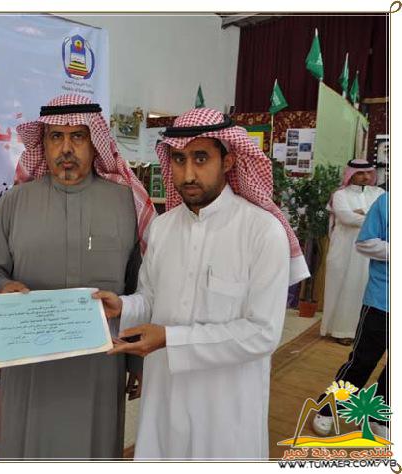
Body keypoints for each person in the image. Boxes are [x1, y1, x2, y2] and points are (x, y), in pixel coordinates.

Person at [94, 108, 310, 459]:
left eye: (200, 158)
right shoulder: (162, 228)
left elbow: (262, 333)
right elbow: (151, 299)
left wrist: (171, 338)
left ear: (228, 161)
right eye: (178, 160)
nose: (188, 173)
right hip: (165, 394)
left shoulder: (262, 231)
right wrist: (123, 306)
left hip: (226, 405)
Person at [0, 94, 156, 459]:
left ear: (95, 143)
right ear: (43, 144)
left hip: (100, 365)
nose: (66, 149)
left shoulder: (124, 202)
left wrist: (137, 360)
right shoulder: (16, 201)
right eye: (56, 137)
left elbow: (138, 285)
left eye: (78, 137)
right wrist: (3, 286)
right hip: (29, 365)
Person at [312, 192, 389, 439]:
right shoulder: (387, 202)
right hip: (383, 300)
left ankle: (378, 416)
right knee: (362, 362)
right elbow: (365, 242)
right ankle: (328, 408)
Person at [320, 159, 384, 344]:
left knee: (363, 288)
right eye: (360, 173)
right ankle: (341, 331)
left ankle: (362, 333)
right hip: (345, 249)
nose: (365, 177)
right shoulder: (340, 195)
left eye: (368, 173)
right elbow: (346, 217)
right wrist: (372, 216)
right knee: (345, 288)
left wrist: (363, 213)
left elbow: (386, 216)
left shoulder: (379, 193)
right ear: (351, 174)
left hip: (371, 250)